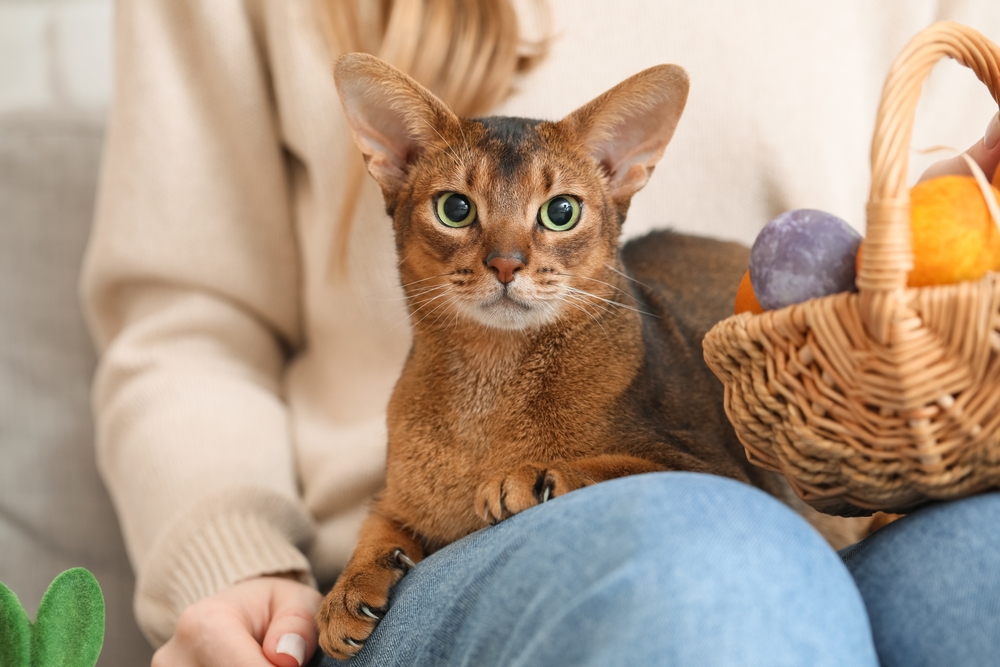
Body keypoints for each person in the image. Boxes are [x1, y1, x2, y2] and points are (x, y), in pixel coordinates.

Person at [81, 1, 1000, 665]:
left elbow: (952, 248)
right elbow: (187, 322)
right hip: (491, 573)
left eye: (555, 215)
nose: (510, 259)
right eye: (456, 209)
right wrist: (235, 562)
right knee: (719, 570)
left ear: (622, 175)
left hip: (858, 489)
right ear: (392, 166)